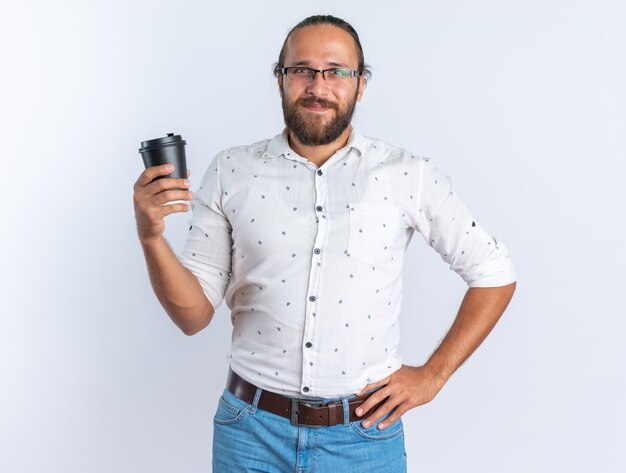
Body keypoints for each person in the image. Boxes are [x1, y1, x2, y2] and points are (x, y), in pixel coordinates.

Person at [133, 14, 517, 473]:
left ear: (360, 84)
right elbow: (192, 316)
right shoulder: (231, 170)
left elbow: (493, 273)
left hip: (365, 438)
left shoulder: (407, 174)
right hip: (249, 433)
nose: (318, 85)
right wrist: (151, 236)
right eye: (301, 70)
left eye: (336, 71)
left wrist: (433, 376)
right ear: (280, 80)